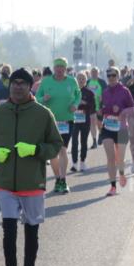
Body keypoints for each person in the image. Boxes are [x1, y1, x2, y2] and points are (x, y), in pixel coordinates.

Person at [0, 68, 63, 266]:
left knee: (31, 232)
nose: (17, 87)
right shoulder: (0, 113)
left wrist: (37, 151)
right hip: (6, 182)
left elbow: (56, 144)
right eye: (14, 83)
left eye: (23, 83)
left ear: (30, 86)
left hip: (32, 182)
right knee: (8, 231)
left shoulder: (42, 114)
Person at [37, 58, 80, 193]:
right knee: (53, 152)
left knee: (62, 149)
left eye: (62, 67)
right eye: (57, 67)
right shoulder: (46, 81)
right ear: (54, 68)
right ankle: (57, 179)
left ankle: (63, 179)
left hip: (67, 120)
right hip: (50, 120)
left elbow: (78, 94)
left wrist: (75, 105)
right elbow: (37, 97)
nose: (60, 70)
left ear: (66, 69)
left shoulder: (72, 81)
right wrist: (43, 99)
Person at [98, 66, 133, 196]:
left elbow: (133, 109)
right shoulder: (105, 92)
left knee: (120, 159)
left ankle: (122, 174)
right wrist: (101, 111)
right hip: (108, 128)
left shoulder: (125, 91)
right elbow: (102, 108)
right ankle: (113, 186)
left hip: (122, 128)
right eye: (109, 76)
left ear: (118, 77)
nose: (111, 78)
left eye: (114, 75)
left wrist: (122, 111)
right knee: (111, 158)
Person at [70, 72, 96, 172]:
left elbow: (93, 107)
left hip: (85, 120)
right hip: (74, 119)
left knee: (84, 141)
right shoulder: (72, 91)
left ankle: (82, 161)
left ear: (86, 81)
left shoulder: (89, 93)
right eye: (79, 78)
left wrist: (84, 103)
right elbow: (68, 104)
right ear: (76, 80)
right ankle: (75, 163)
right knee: (74, 141)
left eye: (83, 79)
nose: (81, 80)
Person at [87, 66, 106, 147]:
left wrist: (102, 104)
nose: (94, 74)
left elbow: (106, 93)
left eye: (95, 72)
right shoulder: (88, 82)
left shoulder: (102, 82)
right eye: (93, 72)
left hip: (99, 105)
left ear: (98, 73)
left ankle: (101, 133)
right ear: (90, 73)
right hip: (90, 106)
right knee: (92, 123)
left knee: (99, 123)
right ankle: (94, 141)